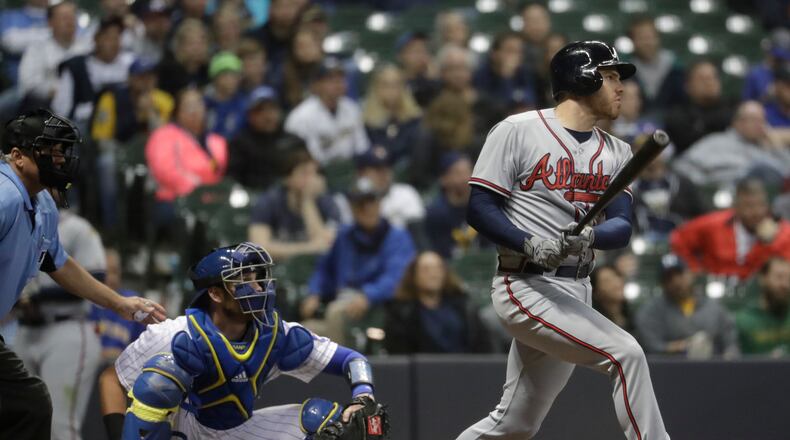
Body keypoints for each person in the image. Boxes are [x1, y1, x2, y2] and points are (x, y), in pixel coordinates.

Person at [457, 41, 670, 439]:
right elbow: (479, 207)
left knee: (515, 423)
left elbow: (622, 226)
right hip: (525, 283)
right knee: (626, 355)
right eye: (610, 76)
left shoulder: (618, 151)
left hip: (577, 288)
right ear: (582, 76)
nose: (620, 86)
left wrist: (591, 236)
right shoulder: (517, 130)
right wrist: (528, 241)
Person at [99, 242, 389, 440]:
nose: (257, 287)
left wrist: (363, 396)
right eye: (243, 281)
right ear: (215, 294)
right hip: (186, 431)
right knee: (159, 381)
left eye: (257, 278)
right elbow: (111, 379)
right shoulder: (176, 333)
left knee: (331, 423)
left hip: (239, 431)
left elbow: (353, 359)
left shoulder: (277, 333)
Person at [0, 109, 165, 440]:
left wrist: (118, 303)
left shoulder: (41, 203)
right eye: (50, 150)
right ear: (17, 156)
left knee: (29, 406)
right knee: (30, 405)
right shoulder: (5, 195)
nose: (59, 159)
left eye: (62, 151)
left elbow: (57, 263)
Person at [15, 210, 106, 440]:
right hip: (25, 329)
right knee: (19, 422)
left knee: (60, 426)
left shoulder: (77, 227)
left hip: (67, 329)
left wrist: (37, 297)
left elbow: (96, 278)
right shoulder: (17, 219)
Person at [301, 177, 416, 347]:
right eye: (361, 204)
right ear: (352, 207)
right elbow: (324, 269)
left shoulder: (397, 237)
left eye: (372, 202)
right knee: (301, 333)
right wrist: (314, 292)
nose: (367, 208)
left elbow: (396, 277)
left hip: (377, 308)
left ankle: (343, 369)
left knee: (335, 313)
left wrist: (368, 295)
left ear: (379, 204)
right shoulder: (344, 235)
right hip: (343, 302)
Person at [670, 178, 790, 280]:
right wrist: (694, 270)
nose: (756, 212)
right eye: (748, 206)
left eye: (760, 205)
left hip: (760, 295)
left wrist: (765, 243)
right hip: (717, 288)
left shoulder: (783, 233)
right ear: (736, 207)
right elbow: (678, 238)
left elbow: (763, 272)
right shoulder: (714, 225)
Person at [635, 254, 739, 358]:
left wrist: (728, 357)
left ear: (690, 274)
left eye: (679, 274)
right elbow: (650, 346)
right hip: (670, 370)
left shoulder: (713, 307)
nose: (676, 281)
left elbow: (730, 343)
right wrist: (681, 347)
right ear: (662, 283)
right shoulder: (651, 311)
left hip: (713, 368)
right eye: (668, 277)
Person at [385, 251, 489, 354]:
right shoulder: (401, 314)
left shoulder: (465, 307)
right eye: (426, 270)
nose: (433, 274)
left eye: (438, 268)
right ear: (414, 275)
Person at [248, 148, 340, 262]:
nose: (312, 180)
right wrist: (308, 248)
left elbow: (326, 246)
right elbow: (259, 248)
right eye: (304, 173)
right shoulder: (268, 202)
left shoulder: (326, 202)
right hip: (278, 269)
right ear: (288, 178)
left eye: (315, 173)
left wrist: (308, 202)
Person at [672, 100, 790, 188]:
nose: (760, 125)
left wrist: (777, 146)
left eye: (762, 120)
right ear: (737, 122)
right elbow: (682, 165)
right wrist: (705, 185)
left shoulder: (768, 146)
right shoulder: (717, 141)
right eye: (753, 120)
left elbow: (786, 175)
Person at [284, 58, 370, 166]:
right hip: (316, 174)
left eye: (341, 78)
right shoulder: (300, 117)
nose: (338, 83)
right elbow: (303, 160)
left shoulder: (352, 108)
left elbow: (362, 148)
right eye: (330, 79)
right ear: (316, 85)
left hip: (351, 171)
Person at [51, 17, 134, 127]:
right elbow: (61, 109)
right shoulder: (76, 66)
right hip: (83, 129)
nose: (114, 43)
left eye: (117, 37)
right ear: (96, 39)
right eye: (108, 37)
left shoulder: (131, 65)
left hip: (121, 128)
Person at [227, 86, 304, 190]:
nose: (267, 115)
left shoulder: (293, 141)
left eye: (272, 108)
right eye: (260, 110)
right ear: (250, 116)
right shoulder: (239, 145)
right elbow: (232, 180)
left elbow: (311, 169)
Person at [17, 0, 91, 108]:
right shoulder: (37, 49)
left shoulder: (88, 47)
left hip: (82, 104)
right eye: (64, 18)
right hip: (45, 106)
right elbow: (29, 84)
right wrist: (62, 92)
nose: (70, 22)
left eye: (73, 17)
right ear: (50, 22)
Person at [663, 60, 736, 155]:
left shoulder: (734, 109)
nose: (709, 82)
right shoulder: (677, 115)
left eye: (713, 77)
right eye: (702, 79)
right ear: (687, 86)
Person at [362, 64, 423, 170]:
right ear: (376, 88)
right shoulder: (367, 122)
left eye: (396, 85)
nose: (391, 91)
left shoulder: (414, 119)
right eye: (386, 85)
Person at [425, 152, 483, 259]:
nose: (465, 178)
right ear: (444, 179)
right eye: (457, 173)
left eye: (468, 171)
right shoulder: (435, 214)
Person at [626, 16, 685, 114]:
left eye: (650, 37)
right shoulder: (625, 70)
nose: (647, 43)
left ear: (658, 38)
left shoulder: (675, 67)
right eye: (641, 38)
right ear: (633, 41)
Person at [736, 257, 790, 356]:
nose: (785, 284)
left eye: (789, 279)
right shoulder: (742, 321)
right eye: (779, 277)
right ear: (763, 278)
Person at [204, 51, 247, 138]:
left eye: (236, 76)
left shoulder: (244, 104)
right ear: (215, 78)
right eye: (227, 75)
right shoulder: (204, 104)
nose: (232, 80)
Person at [590, 265, 635, 334]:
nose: (617, 283)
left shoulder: (634, 319)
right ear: (596, 293)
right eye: (607, 281)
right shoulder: (595, 326)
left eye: (617, 277)